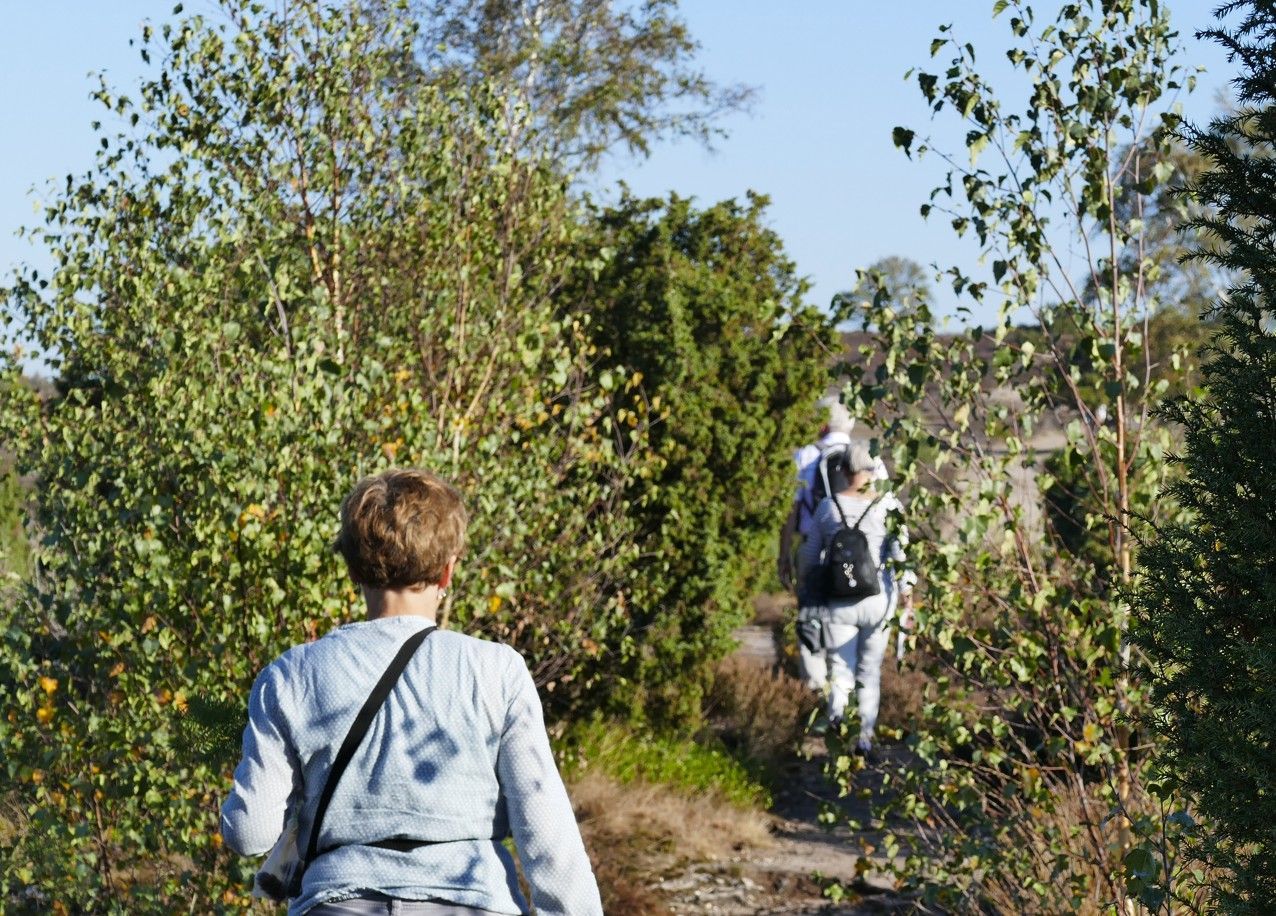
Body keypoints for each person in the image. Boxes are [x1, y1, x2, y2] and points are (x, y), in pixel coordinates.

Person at [221, 468, 603, 916]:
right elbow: (548, 836)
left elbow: (249, 833)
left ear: (352, 567)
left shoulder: (289, 677)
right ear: (447, 571)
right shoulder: (498, 672)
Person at [797, 445, 910, 754]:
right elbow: (902, 558)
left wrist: (805, 586)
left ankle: (837, 729)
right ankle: (865, 738)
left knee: (840, 670)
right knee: (869, 671)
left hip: (839, 600)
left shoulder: (828, 507)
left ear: (843, 471)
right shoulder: (889, 507)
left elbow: (808, 554)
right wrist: (908, 597)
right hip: (879, 600)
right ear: (873, 470)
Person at [778, 400, 855, 685]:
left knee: (810, 613)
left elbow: (791, 511)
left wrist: (784, 554)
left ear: (822, 424)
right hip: (852, 553)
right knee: (847, 615)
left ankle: (814, 686)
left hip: (812, 547)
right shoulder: (866, 457)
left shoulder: (805, 456)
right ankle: (843, 689)